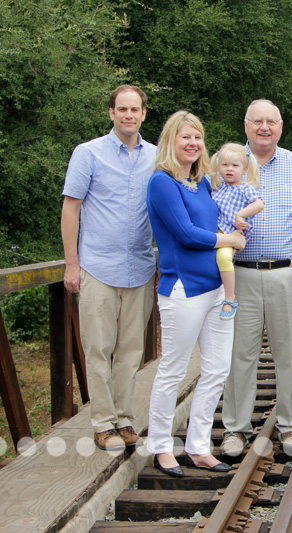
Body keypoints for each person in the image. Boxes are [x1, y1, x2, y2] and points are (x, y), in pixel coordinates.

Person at [145, 111, 246, 477]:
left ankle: (198, 446)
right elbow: (186, 234)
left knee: (218, 368)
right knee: (173, 369)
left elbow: (217, 218)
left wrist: (238, 225)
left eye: (198, 137)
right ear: (170, 140)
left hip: (216, 287)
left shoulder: (201, 182)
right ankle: (161, 446)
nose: (192, 143)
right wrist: (228, 239)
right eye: (185, 137)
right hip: (183, 288)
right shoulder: (162, 183)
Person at [221, 100, 292, 457]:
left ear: (280, 126)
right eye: (257, 121)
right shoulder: (225, 163)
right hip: (239, 274)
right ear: (245, 124)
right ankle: (235, 429)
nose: (264, 127)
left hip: (287, 274)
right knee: (239, 355)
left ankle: (291, 426)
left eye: (271, 121)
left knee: (290, 354)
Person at [61, 84, 156, 451]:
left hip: (140, 266)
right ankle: (102, 423)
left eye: (135, 109)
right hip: (98, 265)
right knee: (98, 349)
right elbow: (71, 208)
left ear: (143, 114)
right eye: (122, 109)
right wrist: (72, 264)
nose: (129, 115)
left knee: (131, 350)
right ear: (112, 113)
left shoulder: (156, 156)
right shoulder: (88, 154)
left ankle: (124, 418)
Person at [209, 143, 264, 320]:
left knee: (223, 258)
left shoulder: (245, 188)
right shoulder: (217, 187)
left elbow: (259, 204)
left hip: (232, 232)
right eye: (225, 165)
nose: (229, 169)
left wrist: (240, 215)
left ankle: (230, 298)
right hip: (216, 231)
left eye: (235, 165)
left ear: (244, 168)